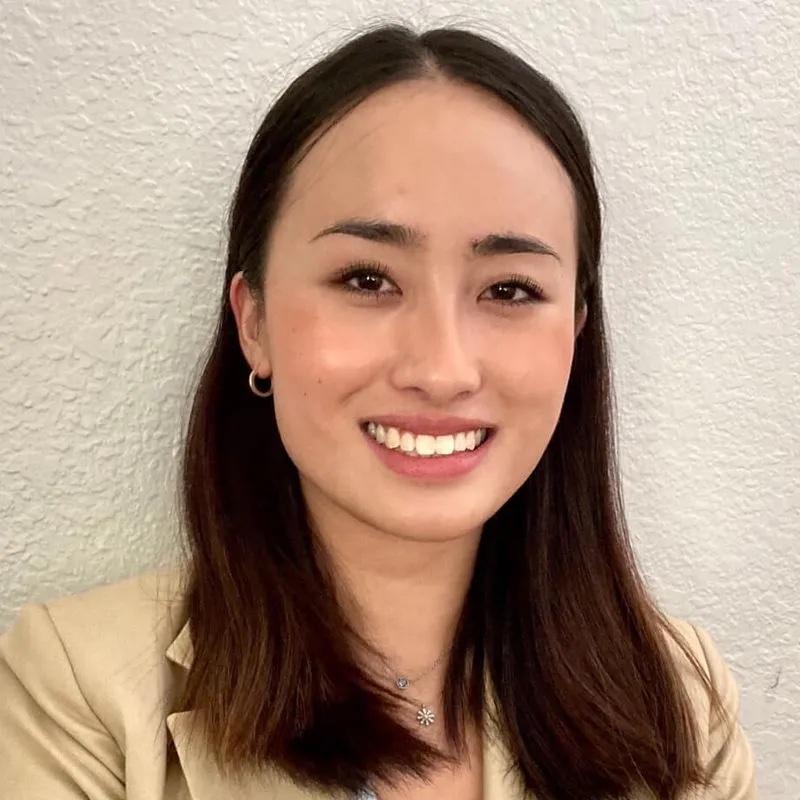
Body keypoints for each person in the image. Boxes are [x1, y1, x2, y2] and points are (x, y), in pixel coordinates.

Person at [0, 21, 757, 800]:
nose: (441, 370)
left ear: (575, 334)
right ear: (254, 321)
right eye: (367, 279)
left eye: (510, 289)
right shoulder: (80, 696)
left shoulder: (682, 706)